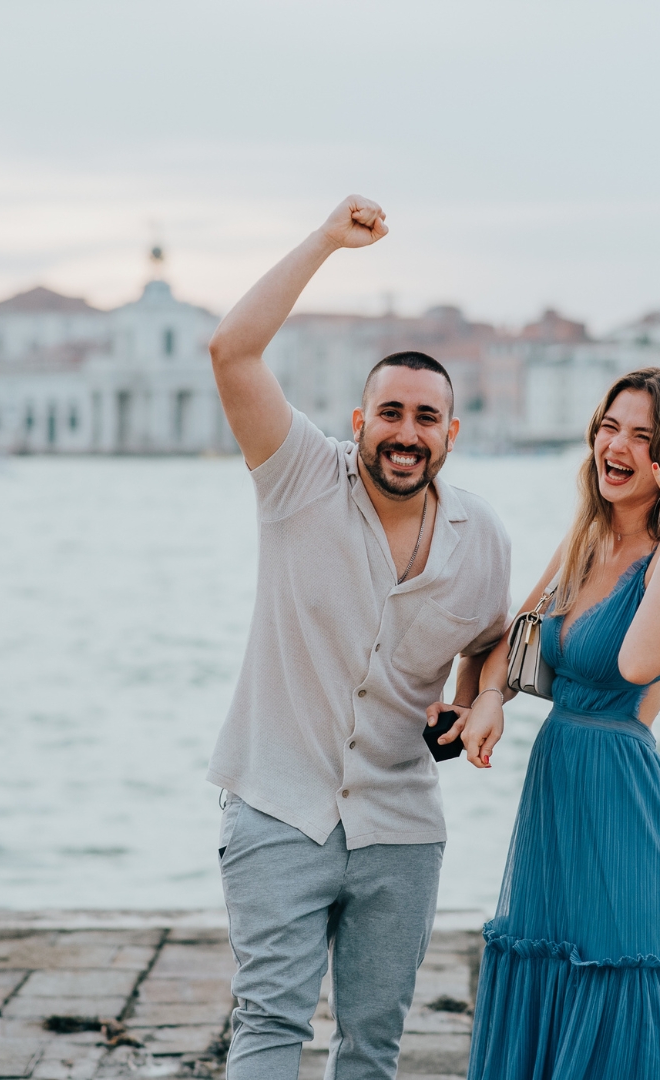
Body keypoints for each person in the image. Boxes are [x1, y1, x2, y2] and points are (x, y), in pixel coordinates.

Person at [205, 195, 511, 1080]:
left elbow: (492, 640)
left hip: (402, 825)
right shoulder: (297, 478)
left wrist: (477, 697)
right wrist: (328, 242)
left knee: (373, 1046)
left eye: (425, 418)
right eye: (390, 414)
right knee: (268, 1023)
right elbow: (232, 351)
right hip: (276, 806)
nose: (405, 434)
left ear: (450, 434)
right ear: (358, 422)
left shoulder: (480, 536)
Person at [448, 369, 660, 1079]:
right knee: (546, 986)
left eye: (642, 436)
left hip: (624, 805)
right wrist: (488, 698)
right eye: (611, 426)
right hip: (556, 798)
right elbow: (515, 645)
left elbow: (641, 661)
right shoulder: (584, 539)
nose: (618, 445)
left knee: (620, 1006)